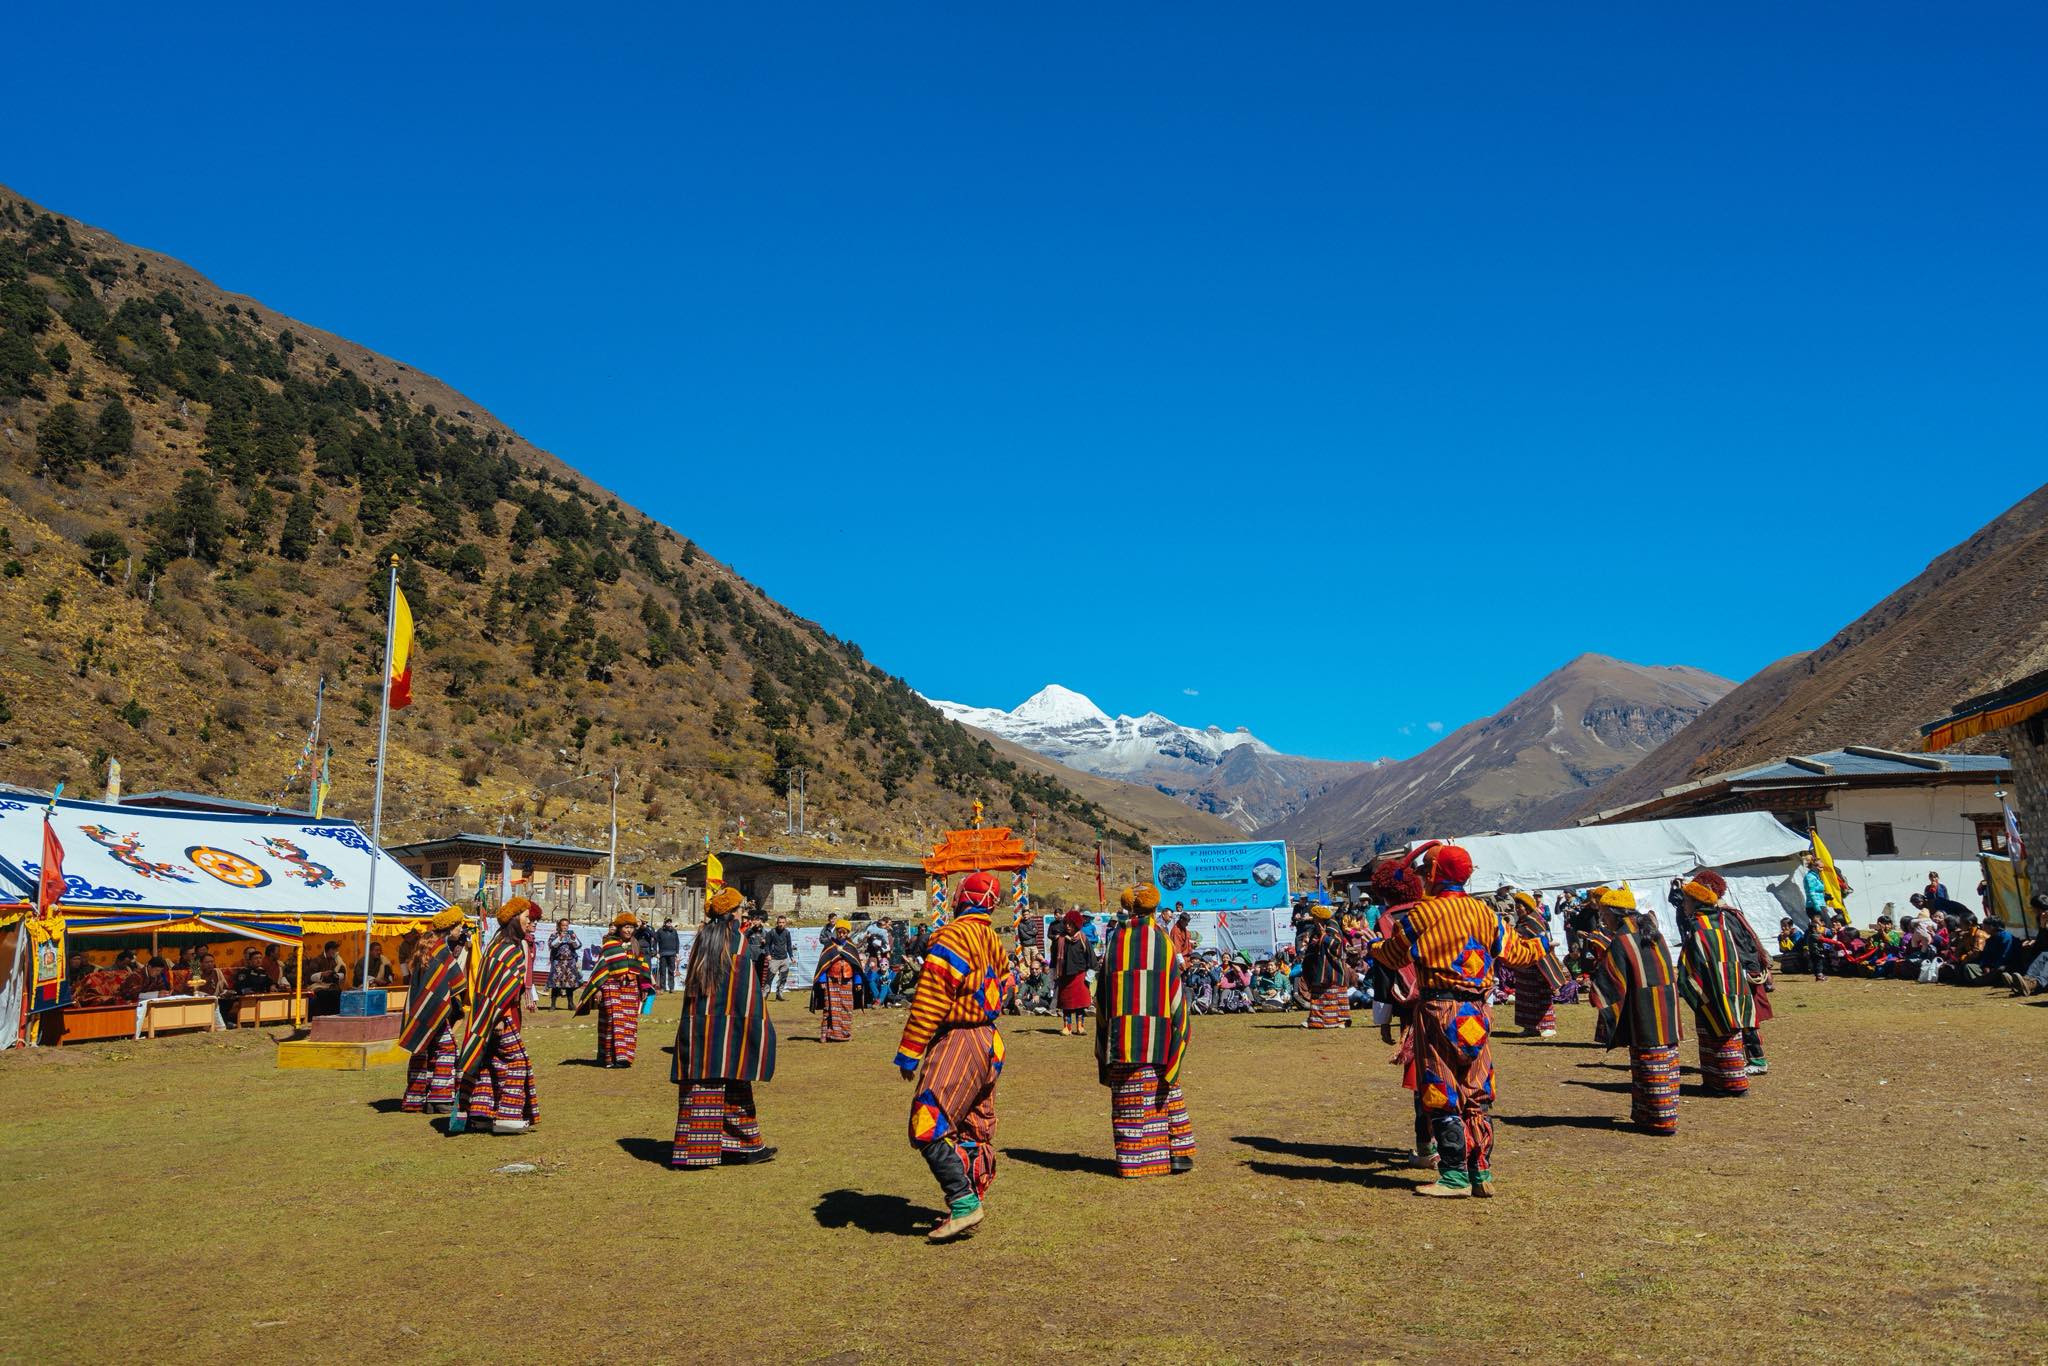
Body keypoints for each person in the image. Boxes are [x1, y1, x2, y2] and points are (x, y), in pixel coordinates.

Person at [1363, 841, 1548, 1198]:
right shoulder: (1486, 915)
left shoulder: (1422, 917)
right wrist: (1541, 943)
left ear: (1433, 875)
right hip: (1477, 1013)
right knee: (1477, 1090)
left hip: (1438, 1012)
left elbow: (1392, 954)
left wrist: (1373, 948)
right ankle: (1481, 1172)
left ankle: (1454, 1176)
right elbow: (1520, 953)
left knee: (1443, 1090)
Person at [895, 870, 1007, 1242]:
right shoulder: (993, 937)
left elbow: (932, 995)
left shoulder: (953, 935)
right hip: (989, 1040)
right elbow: (1008, 985)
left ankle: (963, 1202)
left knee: (929, 1122)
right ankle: (969, 1198)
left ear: (960, 898)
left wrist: (910, 1050)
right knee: (973, 1128)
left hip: (960, 1040)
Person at [671, 887, 777, 1168]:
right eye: (740, 909)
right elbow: (745, 990)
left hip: (700, 1026)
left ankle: (696, 1151)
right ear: (731, 914)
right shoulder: (737, 942)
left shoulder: (701, 940)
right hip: (730, 1026)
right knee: (735, 1082)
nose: (742, 913)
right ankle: (744, 1147)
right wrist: (756, 1024)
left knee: (700, 1083)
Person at [1095, 884, 1194, 1178]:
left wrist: (1105, 1031)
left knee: (1129, 1095)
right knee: (1164, 1088)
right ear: (1154, 908)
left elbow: (1103, 990)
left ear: (1129, 908)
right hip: (1158, 1032)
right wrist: (1179, 1028)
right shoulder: (1162, 940)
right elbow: (1173, 988)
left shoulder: (1116, 940)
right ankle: (1176, 1155)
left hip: (1121, 1034)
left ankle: (1133, 1160)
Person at [1574, 886, 1683, 1135]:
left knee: (1649, 1065)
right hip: (1666, 1004)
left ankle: (1659, 1121)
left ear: (1615, 913)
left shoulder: (1622, 940)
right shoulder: (1652, 931)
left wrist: (1596, 993)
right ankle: (1655, 1115)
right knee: (1666, 1062)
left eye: (1604, 914)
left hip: (1644, 1009)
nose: (1602, 919)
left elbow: (1611, 980)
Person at [451, 899, 539, 1135]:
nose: (529, 922)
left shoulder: (495, 944)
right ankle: (508, 1116)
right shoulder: (509, 949)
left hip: (486, 1016)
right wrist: (498, 1018)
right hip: (501, 1016)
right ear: (514, 919)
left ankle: (481, 1114)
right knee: (518, 1061)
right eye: (526, 917)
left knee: (489, 1062)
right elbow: (499, 988)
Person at [1671, 870, 1762, 1096]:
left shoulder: (1701, 927)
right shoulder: (1716, 921)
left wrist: (1689, 983)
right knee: (1720, 1033)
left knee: (1721, 1035)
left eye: (1686, 901)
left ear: (1696, 902)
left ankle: (1732, 1084)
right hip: (1730, 987)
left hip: (1713, 989)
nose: (1683, 906)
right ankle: (1715, 1081)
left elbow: (1695, 961)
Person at [398, 908, 469, 1115]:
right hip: (436, 1009)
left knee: (421, 1051)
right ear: (452, 927)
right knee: (446, 1049)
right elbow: (457, 981)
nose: (462, 929)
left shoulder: (427, 947)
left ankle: (417, 1098)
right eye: (460, 925)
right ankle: (439, 1097)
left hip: (421, 1010)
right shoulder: (442, 951)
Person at [576, 912, 653, 1067]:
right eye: (626, 927)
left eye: (631, 927)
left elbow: (643, 967)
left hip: (631, 988)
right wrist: (598, 988)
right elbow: (601, 968)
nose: (628, 930)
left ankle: (625, 1057)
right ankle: (617, 1058)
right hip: (611, 985)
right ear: (619, 928)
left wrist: (644, 986)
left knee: (629, 1022)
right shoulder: (610, 945)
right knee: (615, 1019)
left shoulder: (636, 945)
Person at [1505, 890, 1565, 1038]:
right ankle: (1530, 1027)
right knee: (1525, 996)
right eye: (1516, 907)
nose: (1518, 910)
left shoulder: (1535, 921)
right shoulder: (1522, 922)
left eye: (1520, 907)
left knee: (1542, 995)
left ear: (1527, 907)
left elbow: (1541, 941)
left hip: (1538, 965)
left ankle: (1548, 1026)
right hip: (1524, 965)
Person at [1300, 904, 1352, 1028]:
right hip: (1323, 969)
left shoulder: (1332, 927)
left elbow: (1335, 944)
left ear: (1320, 918)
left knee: (1331, 996)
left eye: (1314, 917)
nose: (1313, 919)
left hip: (1332, 969)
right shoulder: (1321, 927)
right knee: (1323, 996)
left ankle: (1339, 1021)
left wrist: (1323, 935)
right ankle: (1325, 1021)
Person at [814, 919, 861, 1042]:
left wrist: (858, 981)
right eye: (839, 932)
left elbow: (856, 966)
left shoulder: (851, 947)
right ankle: (825, 1034)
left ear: (847, 933)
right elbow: (823, 964)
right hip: (831, 980)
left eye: (844, 933)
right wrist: (822, 979)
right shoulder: (830, 946)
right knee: (829, 1006)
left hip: (847, 980)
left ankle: (845, 1034)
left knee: (846, 1007)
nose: (841, 935)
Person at [1055, 909, 1093, 1036]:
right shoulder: (1060, 940)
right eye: (1066, 923)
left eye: (1071, 924)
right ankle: (1067, 1027)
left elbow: (1091, 957)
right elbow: (1055, 958)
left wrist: (1089, 976)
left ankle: (1080, 1026)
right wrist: (1052, 975)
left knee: (1079, 1004)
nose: (1067, 926)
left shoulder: (1083, 938)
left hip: (1079, 976)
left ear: (1076, 924)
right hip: (1064, 976)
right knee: (1066, 1004)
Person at [546, 919, 582, 1009]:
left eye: (566, 925)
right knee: (556, 984)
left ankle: (570, 1004)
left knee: (570, 984)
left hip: (570, 962)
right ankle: (553, 1005)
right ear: (559, 926)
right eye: (563, 925)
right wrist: (560, 938)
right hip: (558, 962)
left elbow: (578, 945)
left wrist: (573, 940)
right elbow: (551, 945)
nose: (565, 927)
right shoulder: (554, 935)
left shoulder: (571, 935)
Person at [762, 915, 794, 1001]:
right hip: (774, 959)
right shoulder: (771, 932)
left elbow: (789, 946)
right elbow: (767, 945)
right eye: (780, 922)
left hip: (784, 959)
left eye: (783, 922)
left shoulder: (787, 933)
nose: (781, 924)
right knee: (770, 977)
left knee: (783, 977)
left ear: (785, 923)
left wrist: (791, 956)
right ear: (777, 923)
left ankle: (779, 994)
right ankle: (765, 994)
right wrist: (768, 954)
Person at [656, 917, 682, 993]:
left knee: (671, 971)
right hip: (662, 954)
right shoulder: (660, 931)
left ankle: (671, 988)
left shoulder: (674, 931)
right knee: (662, 971)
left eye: (670, 922)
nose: (669, 923)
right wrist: (656, 952)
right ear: (664, 923)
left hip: (672, 954)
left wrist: (677, 952)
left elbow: (677, 942)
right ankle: (662, 988)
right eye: (667, 922)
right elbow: (655, 941)